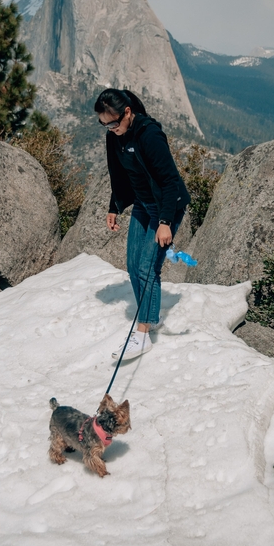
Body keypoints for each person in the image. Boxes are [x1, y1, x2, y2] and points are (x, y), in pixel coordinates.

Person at [94, 88, 191, 360]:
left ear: (127, 112)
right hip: (142, 205)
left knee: (148, 267)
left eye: (113, 122)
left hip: (165, 207)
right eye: (104, 123)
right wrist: (114, 207)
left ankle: (143, 332)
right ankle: (150, 316)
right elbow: (119, 176)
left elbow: (170, 181)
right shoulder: (113, 137)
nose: (110, 128)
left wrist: (165, 222)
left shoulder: (150, 135)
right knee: (132, 264)